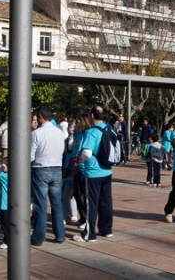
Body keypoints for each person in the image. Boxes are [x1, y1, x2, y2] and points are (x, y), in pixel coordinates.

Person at [73, 105, 114, 242]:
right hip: (107, 170)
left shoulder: (91, 132)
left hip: (93, 172)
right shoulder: (109, 129)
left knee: (91, 203)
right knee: (106, 201)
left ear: (91, 116)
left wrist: (81, 157)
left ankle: (89, 234)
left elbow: (87, 152)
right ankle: (106, 229)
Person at [30, 106, 66, 246]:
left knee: (40, 205)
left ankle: (39, 236)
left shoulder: (36, 133)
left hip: (41, 169)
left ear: (40, 117)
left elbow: (30, 155)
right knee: (57, 204)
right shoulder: (59, 132)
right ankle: (60, 235)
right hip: (57, 169)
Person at [69, 113, 92, 229]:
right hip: (75, 166)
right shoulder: (77, 134)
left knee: (83, 194)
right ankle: (82, 217)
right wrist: (71, 135)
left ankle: (86, 219)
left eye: (78, 121)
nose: (76, 124)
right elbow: (71, 147)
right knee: (77, 194)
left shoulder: (87, 134)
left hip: (83, 167)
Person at [0, 157, 9, 249]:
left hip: (5, 204)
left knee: (5, 224)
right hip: (14, 205)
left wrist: (2, 168)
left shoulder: (4, 177)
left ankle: (6, 241)